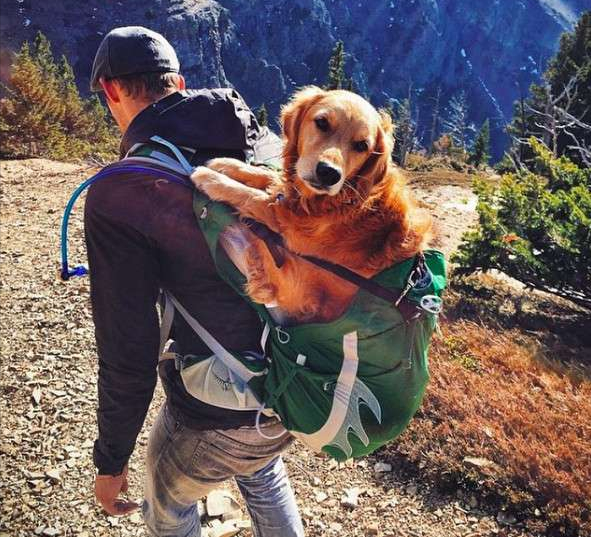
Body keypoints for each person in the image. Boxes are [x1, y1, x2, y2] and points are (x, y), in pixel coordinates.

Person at [86, 26, 304, 537]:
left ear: (111, 90)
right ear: (178, 82)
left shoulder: (122, 190)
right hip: (298, 380)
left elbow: (128, 346)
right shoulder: (261, 142)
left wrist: (111, 459)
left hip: (214, 408)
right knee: (262, 469)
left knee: (165, 503)